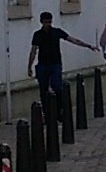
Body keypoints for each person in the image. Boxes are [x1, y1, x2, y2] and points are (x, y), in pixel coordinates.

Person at [27, 11, 92, 141]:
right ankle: (46, 114)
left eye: (49, 22)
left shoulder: (56, 32)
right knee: (43, 90)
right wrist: (29, 66)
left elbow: (72, 40)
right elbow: (33, 50)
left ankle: (59, 111)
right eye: (46, 22)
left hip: (55, 64)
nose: (48, 24)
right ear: (41, 22)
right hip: (43, 65)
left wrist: (88, 46)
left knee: (58, 87)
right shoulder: (37, 35)